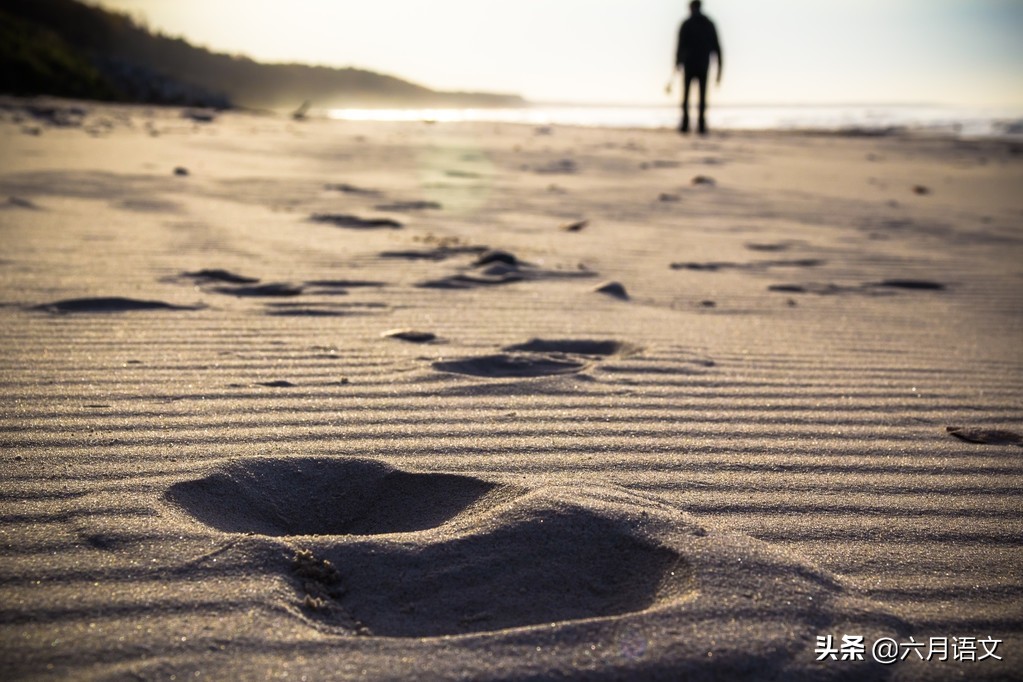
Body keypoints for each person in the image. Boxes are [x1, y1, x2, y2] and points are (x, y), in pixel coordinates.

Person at [674, 0, 722, 135]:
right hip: (701, 65)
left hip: (693, 65)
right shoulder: (707, 24)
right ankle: (696, 125)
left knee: (691, 96)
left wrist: (677, 63)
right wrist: (719, 69)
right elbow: (717, 48)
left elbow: (679, 46)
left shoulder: (690, 24)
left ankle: (689, 125)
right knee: (697, 97)